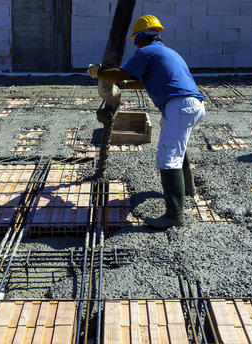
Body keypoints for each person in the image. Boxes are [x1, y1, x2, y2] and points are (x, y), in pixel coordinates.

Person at [87, 14, 205, 229]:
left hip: (179, 106)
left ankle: (174, 215)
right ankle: (187, 189)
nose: (135, 45)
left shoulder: (146, 51)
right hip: (193, 105)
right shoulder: (169, 52)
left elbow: (121, 73)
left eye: (135, 41)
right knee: (179, 147)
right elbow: (145, 81)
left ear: (140, 38)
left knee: (168, 157)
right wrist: (125, 86)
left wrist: (99, 72)